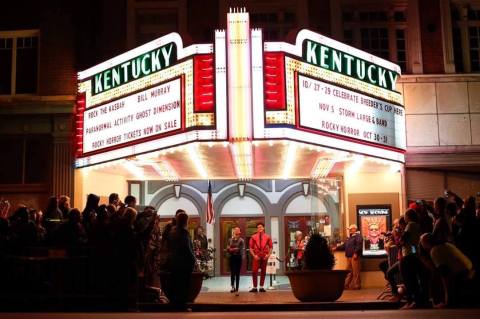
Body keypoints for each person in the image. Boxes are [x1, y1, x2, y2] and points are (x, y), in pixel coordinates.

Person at [420, 233, 475, 308]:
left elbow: (444, 274)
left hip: (461, 274)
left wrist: (448, 300)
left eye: (422, 243)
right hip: (470, 270)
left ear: (426, 243)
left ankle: (448, 302)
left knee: (437, 276)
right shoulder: (446, 244)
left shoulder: (435, 250)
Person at [166, 211, 195, 311]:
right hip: (184, 263)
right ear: (185, 221)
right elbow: (187, 248)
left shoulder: (172, 232)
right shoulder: (183, 232)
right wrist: (193, 260)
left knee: (175, 284)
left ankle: (174, 305)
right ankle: (182, 306)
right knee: (183, 285)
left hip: (174, 262)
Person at [335, 224, 363, 290]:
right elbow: (344, 245)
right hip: (349, 256)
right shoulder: (350, 237)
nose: (349, 230)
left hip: (354, 256)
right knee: (349, 271)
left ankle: (357, 285)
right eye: (349, 229)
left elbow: (359, 245)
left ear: (354, 229)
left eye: (351, 229)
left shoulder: (358, 236)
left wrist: (356, 253)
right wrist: (336, 248)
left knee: (356, 271)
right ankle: (346, 285)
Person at [249, 222, 272, 293]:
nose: (260, 228)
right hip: (257, 256)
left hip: (264, 256)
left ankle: (261, 287)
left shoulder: (267, 237)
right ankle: (255, 287)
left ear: (263, 228)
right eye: (258, 227)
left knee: (263, 272)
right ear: (257, 229)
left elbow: (271, 247)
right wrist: (254, 256)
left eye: (261, 227)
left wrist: (268, 255)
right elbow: (250, 248)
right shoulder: (253, 237)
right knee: (254, 271)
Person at [227, 226, 244, 295]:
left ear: (239, 232)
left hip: (238, 258)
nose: (236, 232)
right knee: (232, 273)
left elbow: (239, 249)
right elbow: (227, 248)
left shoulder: (241, 240)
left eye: (238, 231)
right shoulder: (230, 240)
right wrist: (233, 249)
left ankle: (237, 288)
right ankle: (232, 287)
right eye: (235, 231)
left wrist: (231, 249)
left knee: (237, 273)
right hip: (231, 258)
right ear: (234, 232)